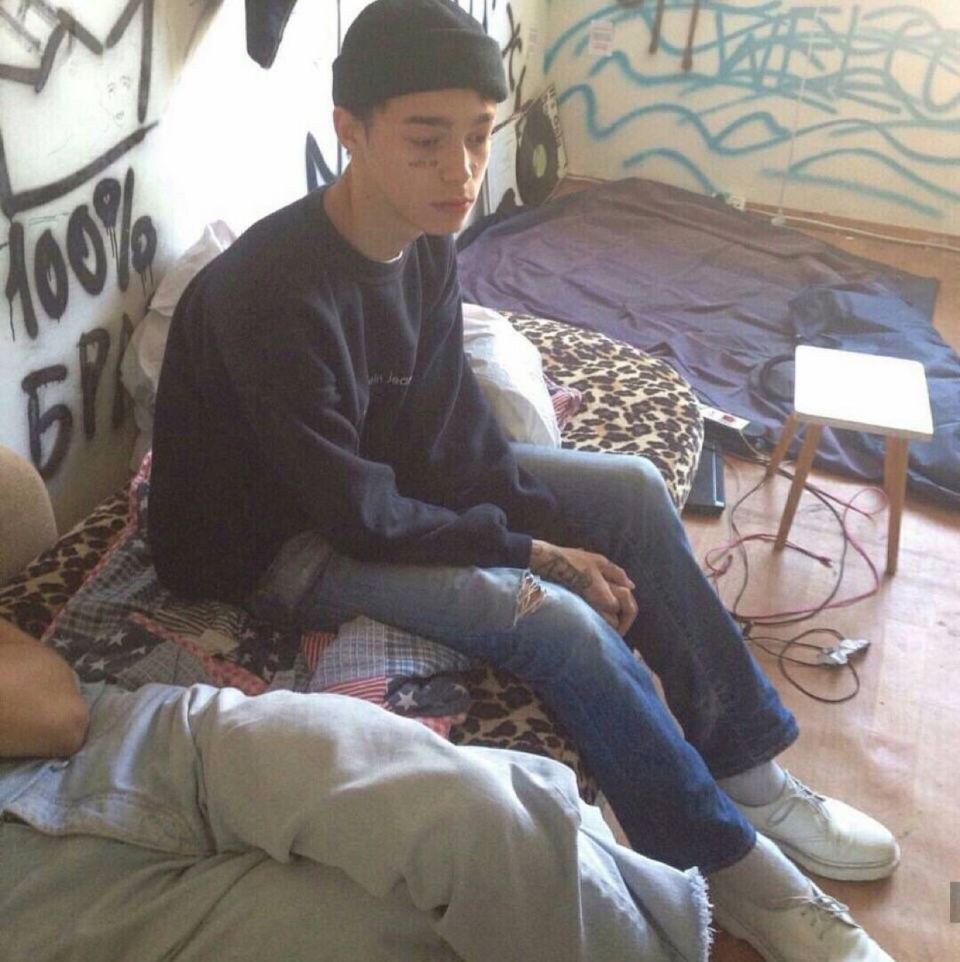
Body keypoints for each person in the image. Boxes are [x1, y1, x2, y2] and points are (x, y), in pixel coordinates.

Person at [149, 2, 898, 960]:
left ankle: (747, 769)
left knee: (628, 489)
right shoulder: (269, 294)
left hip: (359, 486)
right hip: (269, 541)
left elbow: (448, 433)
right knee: (552, 620)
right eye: (426, 141)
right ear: (351, 129)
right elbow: (357, 514)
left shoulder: (422, 242)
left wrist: (543, 515)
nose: (461, 172)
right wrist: (535, 554)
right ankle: (728, 868)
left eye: (477, 137)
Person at [0, 617, 709, 961]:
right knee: (399, 933)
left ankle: (723, 867)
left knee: (475, 814)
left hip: (145, 747)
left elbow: (56, 715)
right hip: (47, 911)